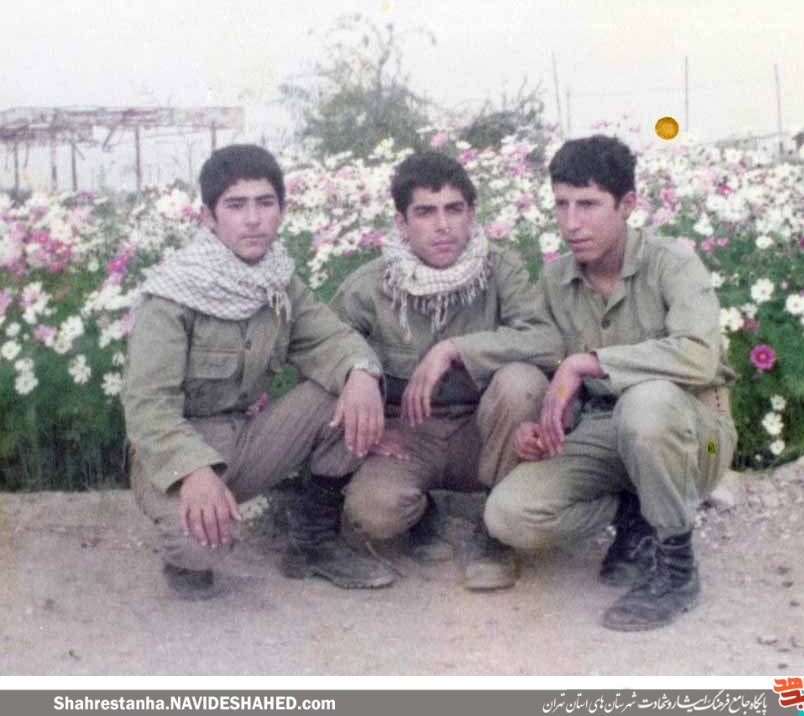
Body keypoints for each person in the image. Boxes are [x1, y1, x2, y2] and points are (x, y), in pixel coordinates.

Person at [484, 135, 737, 630]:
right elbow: (553, 367)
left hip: (695, 434)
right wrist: (547, 423)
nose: (571, 223)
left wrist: (588, 363)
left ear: (627, 204)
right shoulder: (556, 281)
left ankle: (676, 569)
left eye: (588, 204)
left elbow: (700, 354)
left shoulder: (672, 262)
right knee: (508, 515)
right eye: (561, 204)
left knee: (647, 404)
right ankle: (633, 511)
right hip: (607, 432)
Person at [123, 144, 394, 599]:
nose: (253, 219)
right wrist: (194, 473)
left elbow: (331, 340)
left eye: (265, 203)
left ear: (281, 211)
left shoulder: (277, 281)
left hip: (248, 439)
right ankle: (183, 555)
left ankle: (314, 540)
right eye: (235, 205)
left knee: (350, 388)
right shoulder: (173, 294)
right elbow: (148, 407)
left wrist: (362, 374)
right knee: (201, 545)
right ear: (208, 217)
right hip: (172, 450)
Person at [330, 151, 564, 590]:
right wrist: (363, 403)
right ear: (402, 223)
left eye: (454, 210)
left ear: (471, 214)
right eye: (425, 212)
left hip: (482, 433)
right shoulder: (370, 286)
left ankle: (498, 531)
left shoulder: (500, 270)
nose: (443, 226)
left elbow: (547, 340)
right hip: (409, 436)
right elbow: (324, 348)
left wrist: (455, 349)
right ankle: (421, 515)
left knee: (522, 383)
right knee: (373, 513)